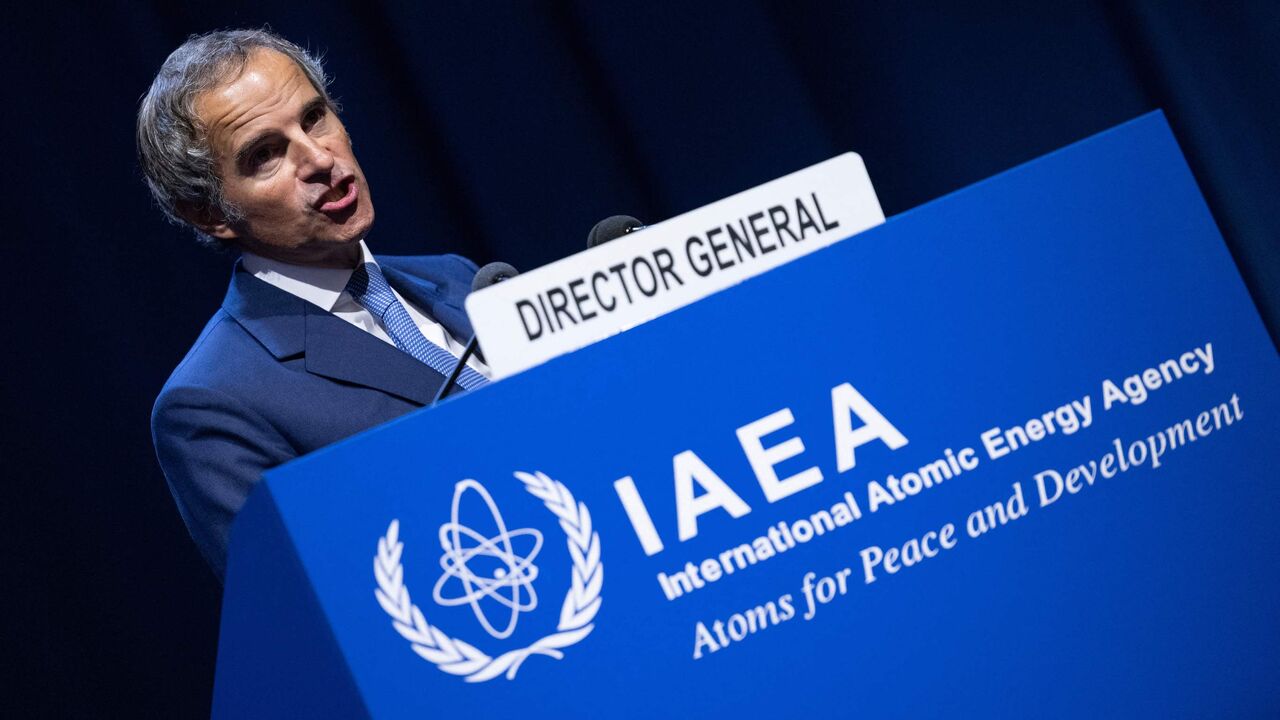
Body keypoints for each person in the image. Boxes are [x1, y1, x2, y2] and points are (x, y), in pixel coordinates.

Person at [139, 29, 491, 581]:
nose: (319, 159)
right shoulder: (211, 404)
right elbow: (308, 601)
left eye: (313, 118)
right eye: (265, 154)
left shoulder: (458, 277)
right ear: (210, 213)